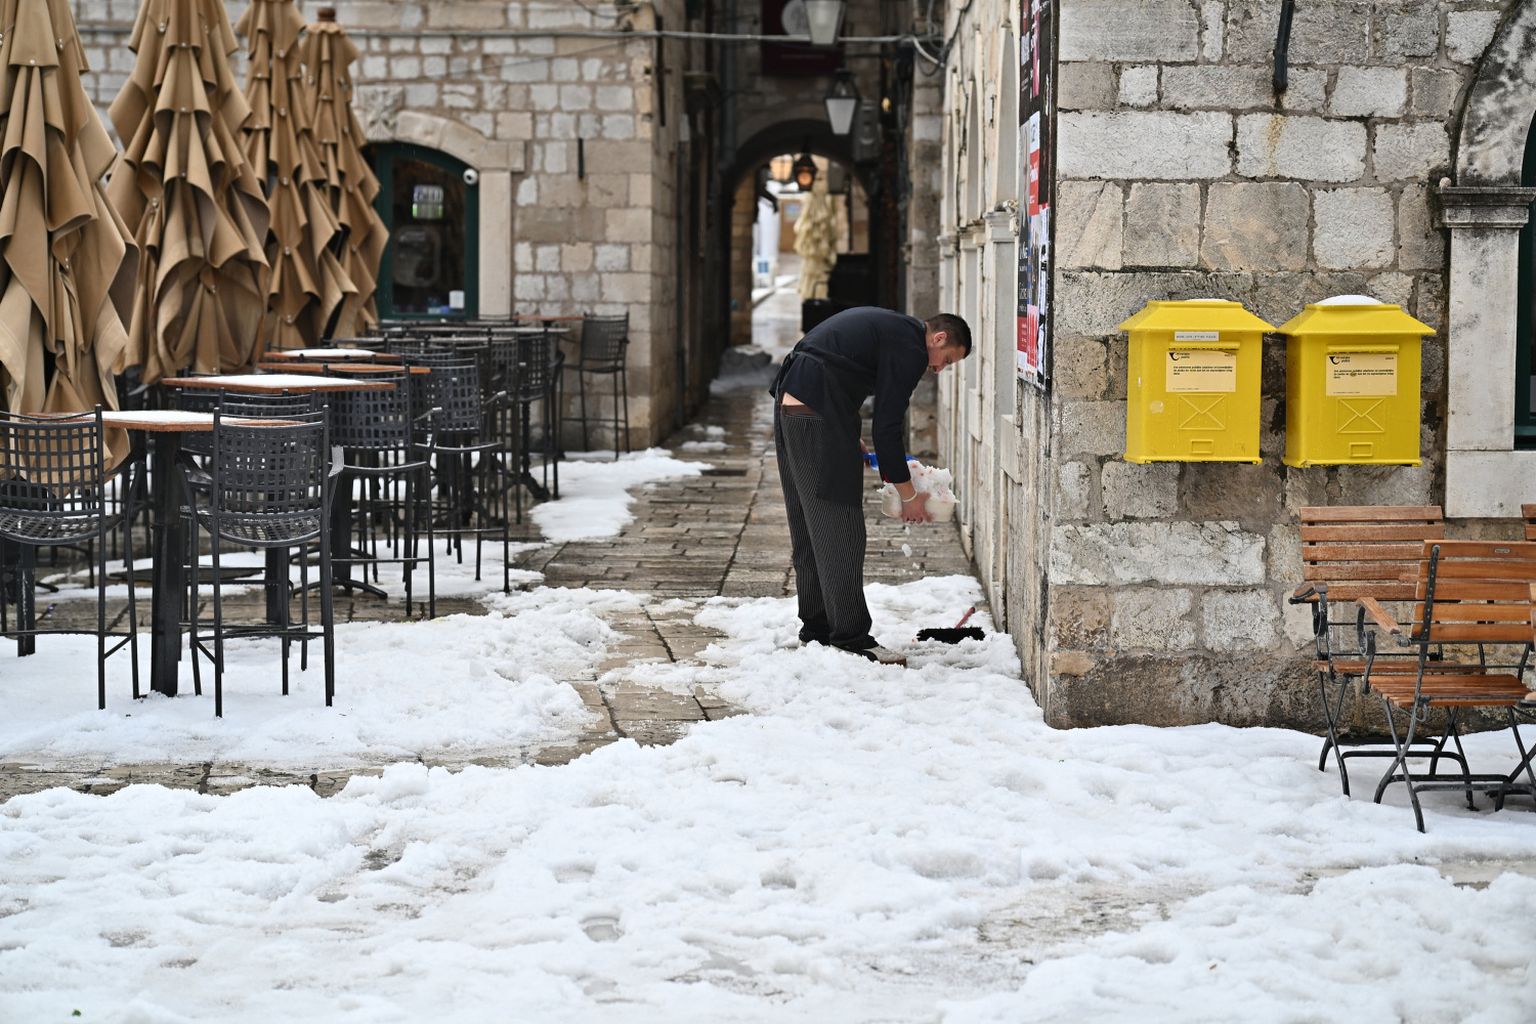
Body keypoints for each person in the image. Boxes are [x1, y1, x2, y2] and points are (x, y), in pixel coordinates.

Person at [769, 306, 973, 665]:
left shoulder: (896, 330)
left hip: (795, 406)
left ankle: (817, 627)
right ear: (939, 338)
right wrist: (909, 495)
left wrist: (848, 432)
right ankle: (850, 636)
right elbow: (887, 427)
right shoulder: (912, 348)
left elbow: (836, 366)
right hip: (815, 410)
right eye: (947, 360)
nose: (939, 369)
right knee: (841, 526)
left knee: (809, 522)